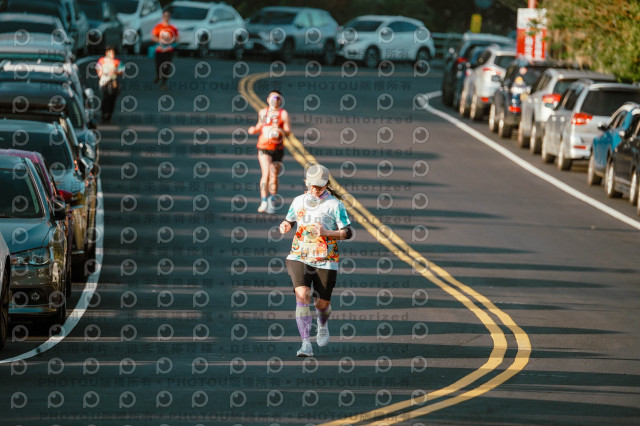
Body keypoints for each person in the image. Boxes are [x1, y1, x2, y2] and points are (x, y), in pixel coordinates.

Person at [279, 164, 353, 357]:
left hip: (326, 258)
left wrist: (327, 232)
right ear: (306, 182)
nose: (315, 189)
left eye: (319, 186)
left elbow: (347, 232)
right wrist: (285, 225)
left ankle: (322, 324)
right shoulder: (298, 201)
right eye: (312, 185)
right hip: (299, 255)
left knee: (321, 304)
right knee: (302, 294)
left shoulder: (335, 205)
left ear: (327, 185)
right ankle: (305, 344)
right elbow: (291, 219)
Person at [248, 91, 291, 214]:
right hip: (263, 147)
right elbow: (259, 126)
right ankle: (263, 201)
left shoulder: (283, 114)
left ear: (280, 100)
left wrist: (280, 131)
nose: (275, 100)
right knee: (266, 173)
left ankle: (272, 199)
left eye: (277, 98)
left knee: (274, 176)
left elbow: (288, 131)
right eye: (273, 97)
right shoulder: (263, 112)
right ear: (268, 99)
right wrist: (253, 130)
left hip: (277, 149)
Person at [95, 45, 124, 123]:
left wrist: (115, 72)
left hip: (113, 82)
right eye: (110, 53)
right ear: (106, 53)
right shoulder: (101, 60)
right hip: (104, 82)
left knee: (112, 99)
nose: (112, 54)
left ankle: (109, 114)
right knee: (105, 98)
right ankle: (104, 114)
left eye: (113, 53)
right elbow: (97, 68)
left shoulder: (117, 61)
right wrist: (100, 73)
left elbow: (122, 71)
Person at [151, 10, 179, 90]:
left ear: (169, 17)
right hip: (159, 50)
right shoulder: (158, 26)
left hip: (168, 50)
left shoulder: (172, 28)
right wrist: (161, 40)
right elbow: (153, 37)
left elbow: (177, 38)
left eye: (168, 16)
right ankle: (158, 76)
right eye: (165, 16)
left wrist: (170, 40)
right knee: (158, 65)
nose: (166, 17)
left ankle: (164, 83)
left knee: (166, 66)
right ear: (162, 17)